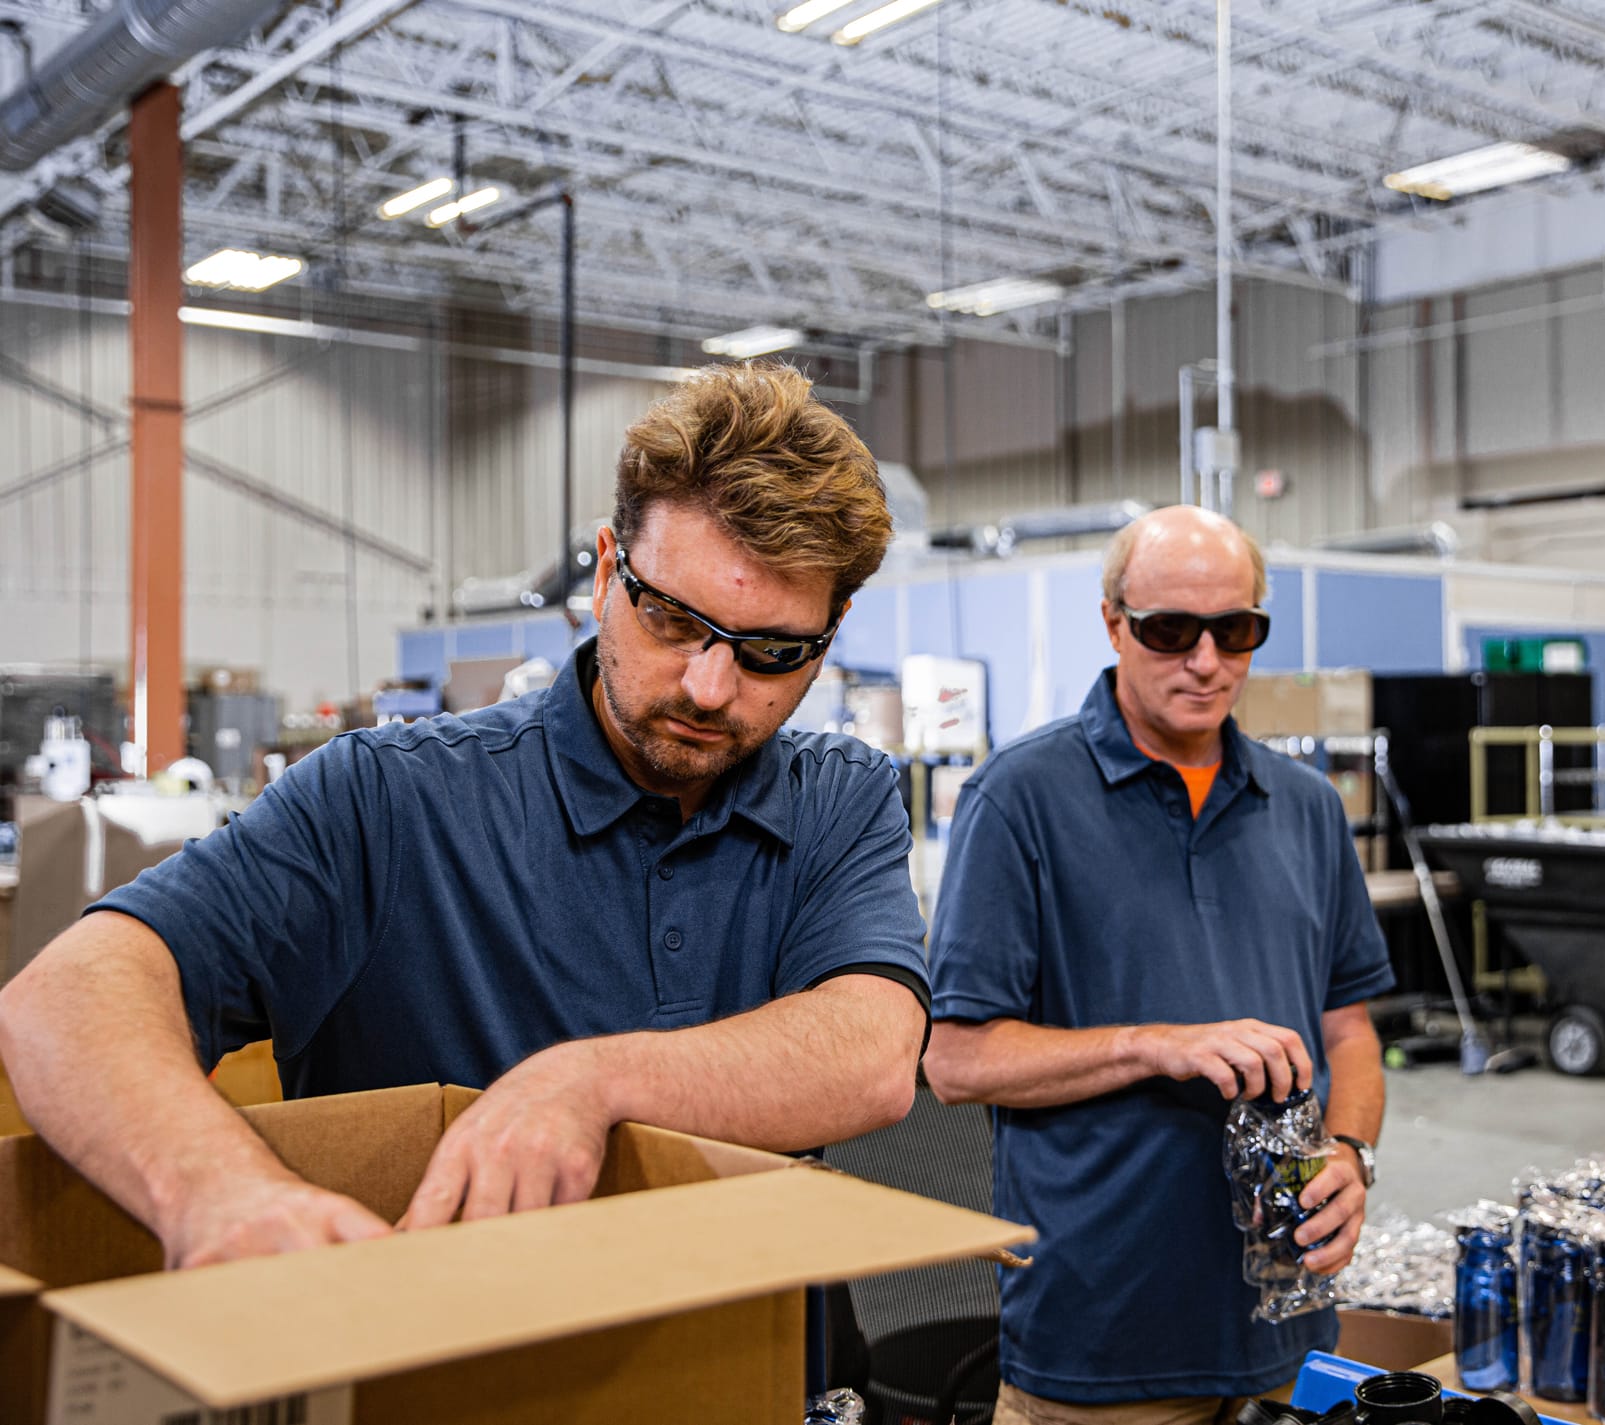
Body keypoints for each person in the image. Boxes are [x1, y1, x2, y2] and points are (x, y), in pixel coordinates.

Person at [0, 362, 929, 1270]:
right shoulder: (388, 801)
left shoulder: (838, 799)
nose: (709, 686)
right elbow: (68, 998)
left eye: (771, 651)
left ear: (830, 634)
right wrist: (221, 1192)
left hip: (747, 1373)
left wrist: (590, 1080)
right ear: (608, 572)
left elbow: (873, 1050)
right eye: (675, 622)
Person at [923, 504, 1392, 1423]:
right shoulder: (1019, 801)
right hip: (1102, 1342)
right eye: (1171, 630)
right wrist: (1155, 1045)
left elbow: (1352, 1027)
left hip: (1284, 1334)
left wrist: (1351, 1152)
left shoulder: (1306, 809)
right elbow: (956, 1060)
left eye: (1237, 630)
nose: (1207, 661)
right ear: (1113, 623)